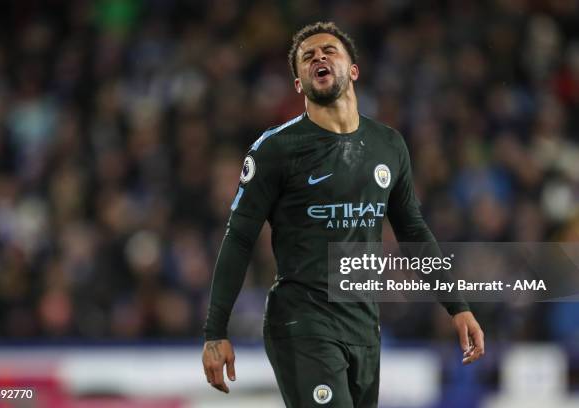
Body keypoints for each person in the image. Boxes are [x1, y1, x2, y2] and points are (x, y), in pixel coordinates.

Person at [202, 21, 485, 407]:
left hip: (364, 326)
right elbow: (239, 237)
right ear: (299, 84)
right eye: (307, 56)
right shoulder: (276, 150)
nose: (319, 56)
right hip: (302, 321)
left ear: (353, 70)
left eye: (329, 51)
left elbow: (413, 231)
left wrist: (457, 306)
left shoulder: (388, 145)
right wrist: (215, 330)